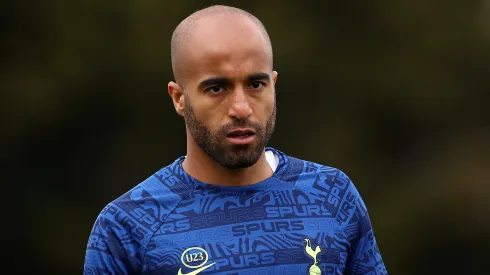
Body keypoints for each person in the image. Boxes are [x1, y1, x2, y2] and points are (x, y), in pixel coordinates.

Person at [84, 5, 387, 275]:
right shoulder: (127, 226)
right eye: (217, 88)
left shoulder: (332, 196)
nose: (241, 108)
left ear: (274, 85)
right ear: (179, 98)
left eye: (256, 84)